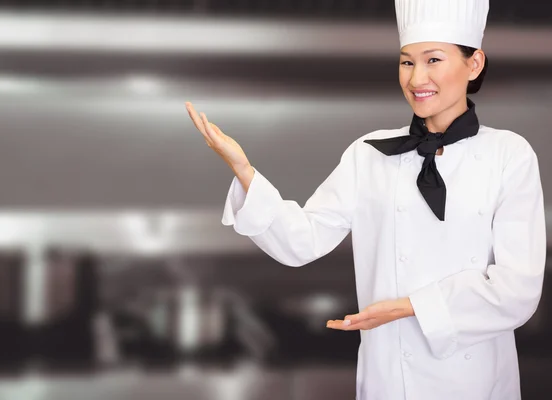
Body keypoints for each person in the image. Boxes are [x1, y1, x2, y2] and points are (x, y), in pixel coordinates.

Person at [185, 0, 546, 398]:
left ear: (474, 64)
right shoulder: (369, 153)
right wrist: (245, 172)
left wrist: (409, 307)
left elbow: (517, 291)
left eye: (433, 60)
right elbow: (303, 240)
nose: (416, 77)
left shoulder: (509, 155)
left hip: (477, 383)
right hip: (387, 380)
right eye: (407, 62)